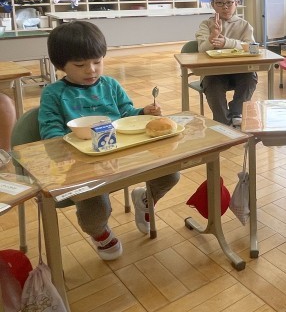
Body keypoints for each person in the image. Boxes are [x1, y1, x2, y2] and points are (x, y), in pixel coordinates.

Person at [38, 21, 180, 261]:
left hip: (123, 155)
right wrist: (63, 144)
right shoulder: (54, 94)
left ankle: (145, 200)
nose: (91, 70)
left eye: (97, 62)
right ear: (60, 65)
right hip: (83, 166)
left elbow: (126, 114)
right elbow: (49, 130)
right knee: (95, 210)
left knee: (170, 174)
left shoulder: (110, 85)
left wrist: (143, 112)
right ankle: (100, 233)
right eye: (80, 65)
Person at [195, 0, 256, 126]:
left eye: (229, 2)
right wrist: (213, 36)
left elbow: (252, 48)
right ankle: (223, 121)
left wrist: (227, 42)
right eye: (220, 3)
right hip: (214, 72)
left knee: (251, 76)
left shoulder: (244, 25)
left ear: (236, 3)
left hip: (239, 71)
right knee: (212, 83)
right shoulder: (206, 24)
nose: (225, 7)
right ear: (212, 5)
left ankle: (237, 112)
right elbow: (202, 51)